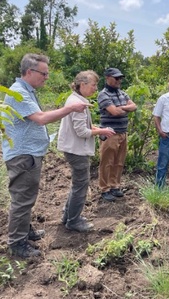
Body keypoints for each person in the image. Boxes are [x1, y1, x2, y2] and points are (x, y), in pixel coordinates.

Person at [2, 53, 89, 258]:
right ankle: (17, 244)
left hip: (29, 155)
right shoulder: (18, 93)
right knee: (22, 200)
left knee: (26, 198)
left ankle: (25, 231)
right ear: (30, 72)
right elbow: (40, 119)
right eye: (44, 73)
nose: (47, 77)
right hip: (23, 156)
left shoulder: (27, 91)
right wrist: (68, 109)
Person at [57, 70, 115, 232]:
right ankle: (73, 221)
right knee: (81, 185)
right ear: (82, 85)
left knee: (77, 184)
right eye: (93, 85)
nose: (96, 88)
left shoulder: (77, 100)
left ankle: (68, 216)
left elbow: (85, 127)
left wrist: (99, 129)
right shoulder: (78, 105)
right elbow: (82, 132)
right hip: (76, 150)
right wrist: (102, 132)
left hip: (73, 148)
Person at [97, 68, 137, 202]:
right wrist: (124, 108)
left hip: (122, 132)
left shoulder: (122, 93)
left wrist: (122, 108)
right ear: (107, 78)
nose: (119, 80)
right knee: (106, 162)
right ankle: (105, 189)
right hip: (110, 133)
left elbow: (134, 106)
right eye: (116, 78)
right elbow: (114, 111)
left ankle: (115, 186)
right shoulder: (103, 94)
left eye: (120, 78)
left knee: (119, 161)